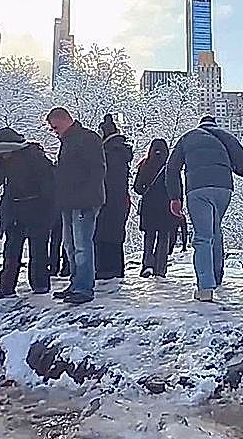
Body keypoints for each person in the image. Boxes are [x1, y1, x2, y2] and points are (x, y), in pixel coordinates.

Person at [166, 115, 243, 302]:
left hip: (198, 189)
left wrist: (175, 197)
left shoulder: (187, 137)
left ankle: (205, 287)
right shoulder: (225, 136)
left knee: (203, 237)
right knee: (215, 231)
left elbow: (172, 168)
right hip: (224, 189)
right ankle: (216, 277)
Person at [0, 127, 56, 299]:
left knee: (38, 248)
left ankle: (40, 284)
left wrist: (49, 206)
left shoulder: (35, 157)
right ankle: (6, 287)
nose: (3, 155)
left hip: (37, 207)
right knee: (11, 249)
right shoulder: (1, 160)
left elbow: (48, 183)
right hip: (14, 209)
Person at [47, 107, 106, 305]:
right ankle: (76, 283)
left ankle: (83, 286)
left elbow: (97, 170)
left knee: (81, 245)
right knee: (71, 245)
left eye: (55, 127)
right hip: (70, 201)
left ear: (64, 120)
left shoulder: (86, 139)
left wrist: (85, 195)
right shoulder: (71, 141)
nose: (54, 131)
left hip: (83, 201)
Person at [134, 139, 181, 278]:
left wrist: (146, 190)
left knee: (149, 237)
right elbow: (178, 187)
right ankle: (160, 268)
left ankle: (147, 265)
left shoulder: (145, 165)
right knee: (163, 238)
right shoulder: (170, 167)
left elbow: (137, 187)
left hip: (149, 209)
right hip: (166, 209)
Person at [94, 114, 133, 280]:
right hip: (119, 200)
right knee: (116, 234)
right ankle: (115, 269)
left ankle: (107, 270)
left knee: (104, 234)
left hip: (106, 199)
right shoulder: (120, 151)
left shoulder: (109, 153)